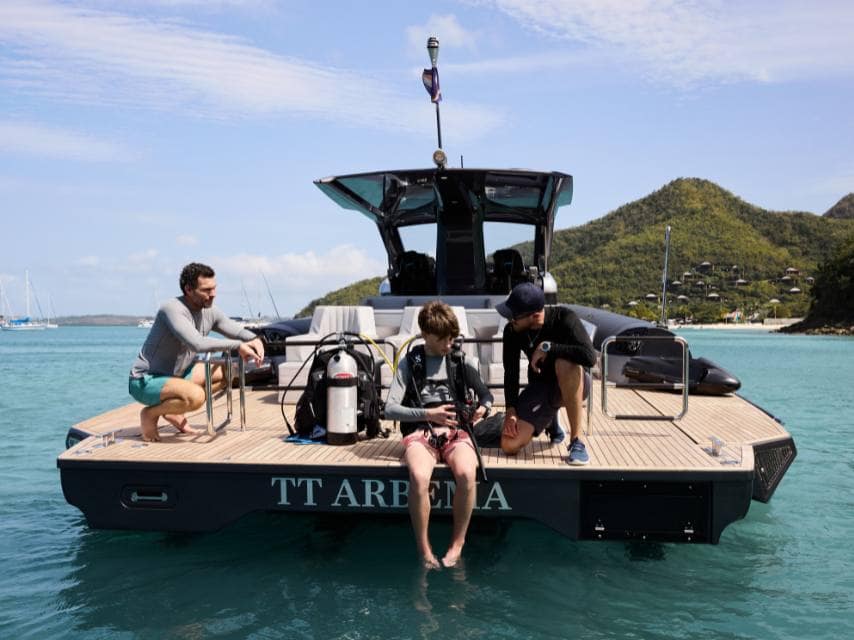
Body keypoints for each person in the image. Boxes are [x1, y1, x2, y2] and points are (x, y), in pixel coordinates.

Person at [384, 301, 494, 569]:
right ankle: (425, 548)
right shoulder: (410, 363)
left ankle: (458, 543)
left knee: (468, 474)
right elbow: (390, 409)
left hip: (457, 433)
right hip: (421, 433)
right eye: (442, 339)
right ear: (425, 335)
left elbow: (486, 395)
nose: (448, 344)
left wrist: (483, 408)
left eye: (452, 338)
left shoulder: (460, 361)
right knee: (420, 477)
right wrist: (428, 414)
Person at [128, 262, 265, 442]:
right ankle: (150, 414)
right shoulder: (172, 309)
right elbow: (197, 343)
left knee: (228, 371)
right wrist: (237, 346)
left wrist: (253, 338)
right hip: (146, 380)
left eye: (214, 288)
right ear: (188, 290)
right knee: (196, 397)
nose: (213, 294)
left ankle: (172, 411)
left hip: (178, 374)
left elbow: (234, 329)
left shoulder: (209, 311)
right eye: (206, 290)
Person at [496, 282, 596, 464]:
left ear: (534, 316)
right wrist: (510, 410)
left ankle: (577, 441)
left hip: (574, 384)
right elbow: (510, 372)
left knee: (564, 363)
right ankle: (552, 421)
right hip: (540, 387)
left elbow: (590, 357)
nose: (510, 320)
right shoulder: (512, 331)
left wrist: (549, 347)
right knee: (509, 445)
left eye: (514, 317)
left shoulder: (564, 318)